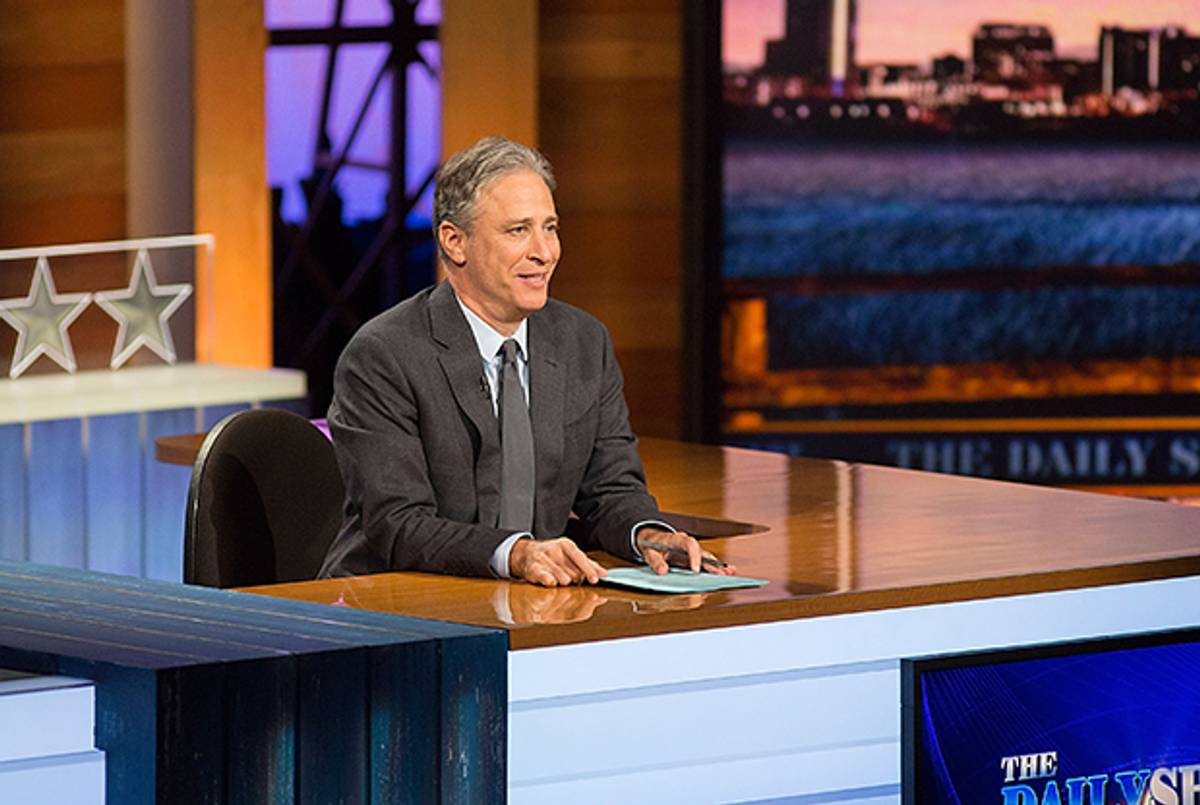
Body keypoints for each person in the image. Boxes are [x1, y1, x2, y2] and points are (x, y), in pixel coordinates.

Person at [318, 136, 733, 586]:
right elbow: (397, 524)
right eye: (519, 230)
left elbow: (612, 491)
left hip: (532, 602)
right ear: (455, 242)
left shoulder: (582, 343)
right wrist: (515, 555)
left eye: (550, 227)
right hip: (398, 604)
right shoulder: (384, 355)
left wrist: (648, 534)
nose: (545, 252)